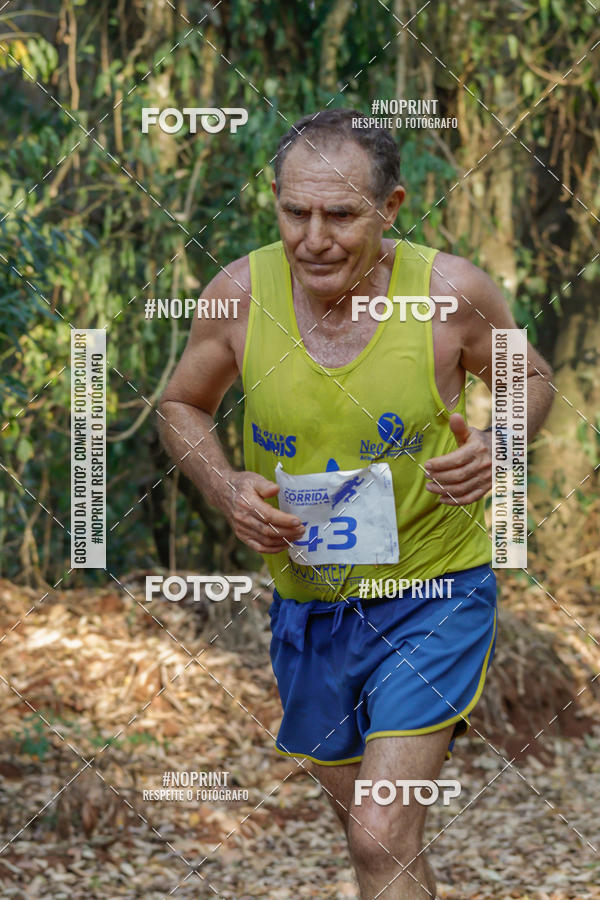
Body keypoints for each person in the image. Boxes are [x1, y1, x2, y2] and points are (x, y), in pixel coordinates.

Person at [158, 108, 554, 899]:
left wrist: (497, 446)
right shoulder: (238, 293)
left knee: (380, 833)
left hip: (433, 596)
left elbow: (530, 379)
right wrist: (226, 483)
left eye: (340, 214)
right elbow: (179, 405)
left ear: (392, 209)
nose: (313, 238)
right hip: (310, 606)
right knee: (381, 845)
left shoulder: (450, 294)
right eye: (293, 211)